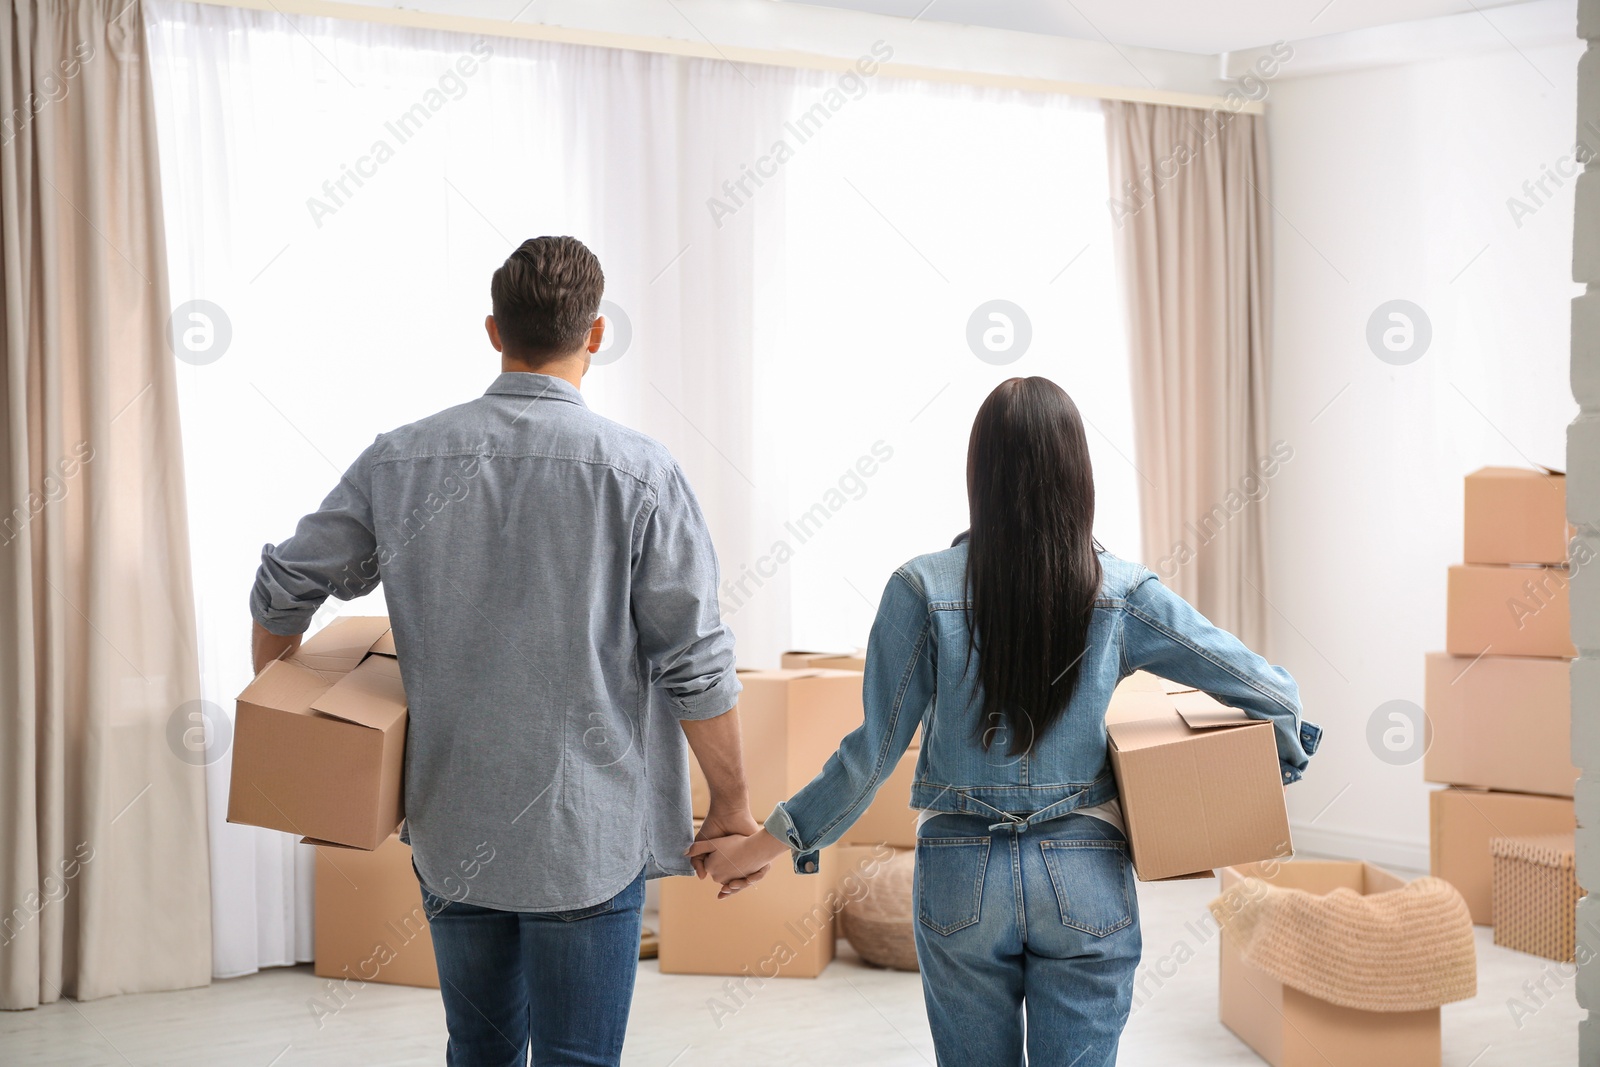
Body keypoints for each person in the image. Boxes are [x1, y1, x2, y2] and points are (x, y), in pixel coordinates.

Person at [692, 376, 1322, 1066]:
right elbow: (1268, 691)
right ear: (1078, 474)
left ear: (979, 474)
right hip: (1084, 871)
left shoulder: (920, 588)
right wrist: (1281, 758)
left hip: (961, 873)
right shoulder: (1124, 591)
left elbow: (869, 757)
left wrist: (758, 848)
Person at [249, 236, 766, 1067]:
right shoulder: (640, 472)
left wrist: (282, 715)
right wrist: (732, 803)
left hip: (457, 823)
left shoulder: (401, 459)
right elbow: (695, 660)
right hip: (587, 835)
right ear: (595, 335)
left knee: (479, 1054)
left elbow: (283, 586)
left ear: (494, 331)